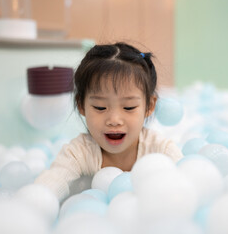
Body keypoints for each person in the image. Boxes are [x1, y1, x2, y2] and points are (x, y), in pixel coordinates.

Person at [34, 42, 183, 201]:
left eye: (128, 107)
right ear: (81, 105)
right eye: (100, 107)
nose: (114, 120)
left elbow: (186, 183)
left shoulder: (159, 150)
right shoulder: (80, 152)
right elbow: (53, 181)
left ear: (149, 106)